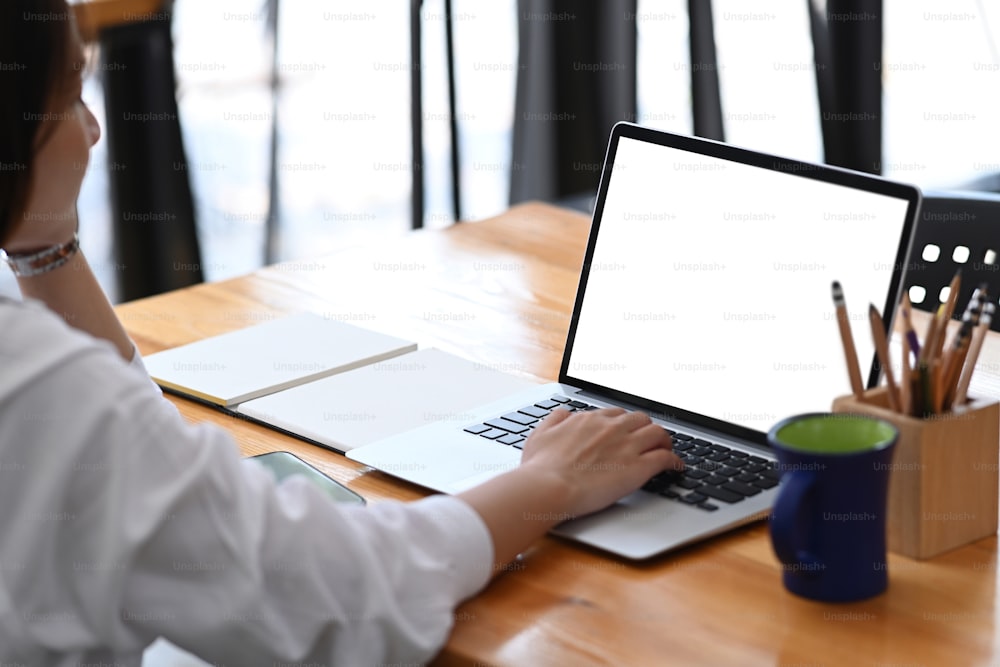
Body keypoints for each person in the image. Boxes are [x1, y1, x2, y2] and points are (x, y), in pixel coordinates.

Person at [0, 1, 681, 664]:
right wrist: (551, 481)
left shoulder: (50, 383)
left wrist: (41, 243)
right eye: (67, 96)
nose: (91, 130)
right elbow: (340, 597)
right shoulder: (40, 385)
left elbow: (127, 443)